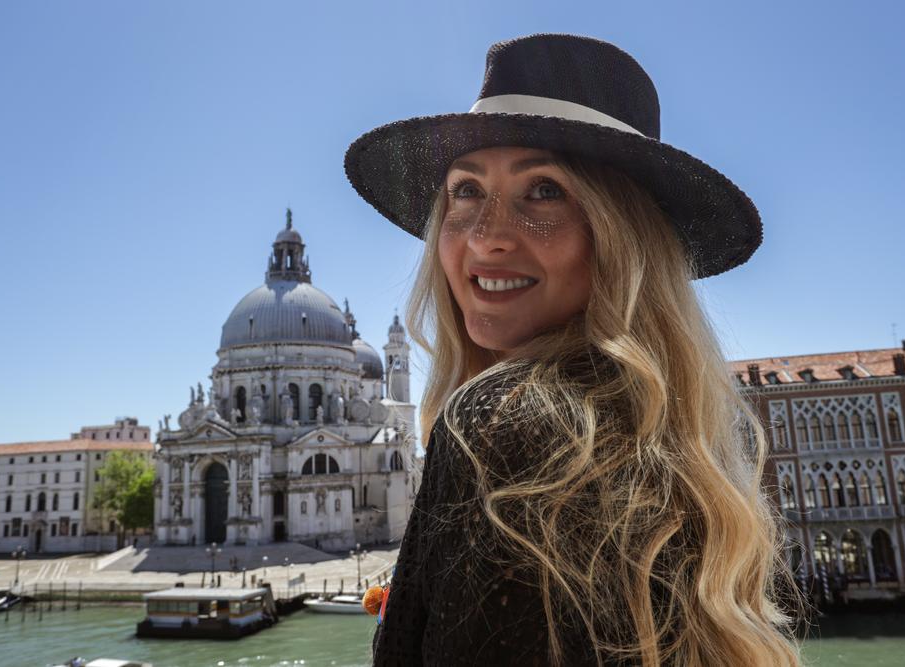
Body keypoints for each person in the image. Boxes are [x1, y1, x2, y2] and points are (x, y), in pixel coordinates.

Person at [344, 33, 802, 666]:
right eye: (466, 191)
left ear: (620, 236)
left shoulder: (501, 423)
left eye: (544, 191)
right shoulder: (663, 440)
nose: (486, 237)